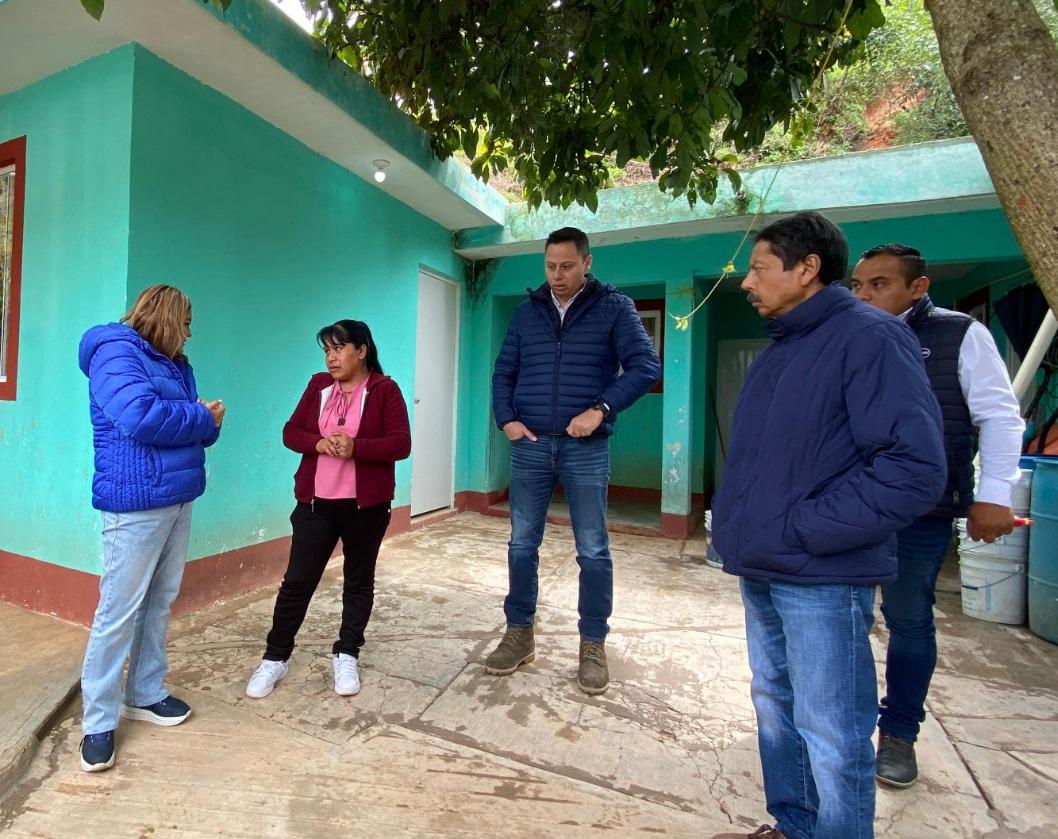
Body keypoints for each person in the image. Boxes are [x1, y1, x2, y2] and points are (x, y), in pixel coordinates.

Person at [708, 213, 947, 839]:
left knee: (833, 732)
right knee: (775, 708)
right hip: (763, 564)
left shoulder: (872, 338)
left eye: (759, 268)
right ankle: (794, 826)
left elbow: (913, 469)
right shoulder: (781, 350)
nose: (746, 282)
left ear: (807, 268)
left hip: (820, 572)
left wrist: (807, 528)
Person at [851, 244, 1025, 788]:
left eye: (879, 284)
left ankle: (899, 732)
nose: (864, 295)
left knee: (907, 619)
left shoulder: (958, 335)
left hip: (920, 509)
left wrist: (994, 493)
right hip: (851, 505)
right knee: (846, 617)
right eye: (858, 285)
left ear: (918, 287)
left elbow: (999, 415)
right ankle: (842, 725)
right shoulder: (849, 334)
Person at [486, 226, 660, 696]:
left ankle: (592, 644)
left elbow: (646, 366)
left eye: (567, 266)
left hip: (585, 448)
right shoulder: (527, 313)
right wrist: (507, 420)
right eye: (550, 266)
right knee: (522, 544)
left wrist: (600, 408)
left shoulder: (614, 308)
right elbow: (504, 372)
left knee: (593, 549)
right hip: (530, 445)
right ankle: (519, 632)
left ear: (587, 263)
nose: (557, 275)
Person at [78, 284, 225, 773]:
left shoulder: (176, 364)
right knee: (118, 611)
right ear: (165, 317)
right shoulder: (114, 353)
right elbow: (141, 417)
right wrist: (201, 416)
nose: (188, 334)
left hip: (179, 497)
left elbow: (193, 428)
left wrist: (206, 421)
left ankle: (144, 692)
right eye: (185, 324)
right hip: (135, 501)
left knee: (159, 601)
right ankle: (98, 722)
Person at [245, 320, 410, 700]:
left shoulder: (384, 390)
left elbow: (401, 443)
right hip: (315, 505)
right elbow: (290, 432)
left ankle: (347, 652)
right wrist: (318, 443)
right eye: (327, 351)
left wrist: (357, 448)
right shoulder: (318, 386)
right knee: (297, 582)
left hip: (366, 508)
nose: (331, 358)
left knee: (358, 581)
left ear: (361, 351)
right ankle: (275, 657)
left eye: (339, 349)